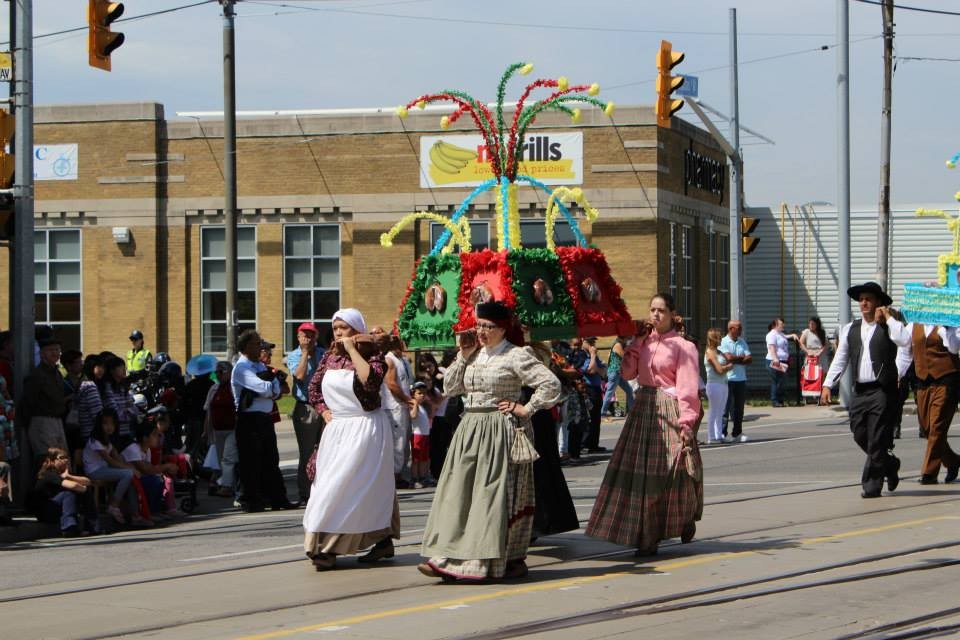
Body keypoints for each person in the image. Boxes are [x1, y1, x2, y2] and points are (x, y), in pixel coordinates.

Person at [418, 301, 561, 582]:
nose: (481, 331)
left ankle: (489, 559)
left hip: (500, 428)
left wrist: (526, 408)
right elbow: (450, 388)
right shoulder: (473, 354)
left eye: (488, 327)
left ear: (503, 327)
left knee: (492, 496)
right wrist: (462, 354)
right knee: (460, 494)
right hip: (470, 427)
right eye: (479, 325)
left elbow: (550, 384)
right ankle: (449, 555)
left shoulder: (516, 355)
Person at [586, 292, 703, 556]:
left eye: (661, 310)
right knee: (639, 473)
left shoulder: (684, 347)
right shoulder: (643, 341)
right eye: (652, 310)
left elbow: (687, 388)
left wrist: (687, 423)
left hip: (669, 409)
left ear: (672, 314)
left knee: (674, 469)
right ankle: (645, 534)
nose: (655, 315)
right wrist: (627, 345)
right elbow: (627, 373)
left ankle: (682, 518)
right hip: (643, 407)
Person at [304, 308, 398, 571]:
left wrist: (354, 351)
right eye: (335, 328)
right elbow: (313, 388)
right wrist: (323, 412)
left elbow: (370, 382)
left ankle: (330, 547)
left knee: (358, 487)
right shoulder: (329, 357)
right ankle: (327, 541)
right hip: (337, 429)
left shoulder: (374, 355)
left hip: (365, 427)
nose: (338, 333)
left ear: (356, 330)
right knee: (329, 485)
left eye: (344, 328)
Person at [821, 281, 902, 499]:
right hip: (861, 391)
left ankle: (871, 486)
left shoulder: (889, 325)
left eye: (868, 299)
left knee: (876, 438)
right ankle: (890, 463)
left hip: (882, 391)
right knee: (859, 434)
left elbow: (903, 339)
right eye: (861, 299)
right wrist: (828, 384)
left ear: (878, 302)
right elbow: (841, 358)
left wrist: (889, 318)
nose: (864, 303)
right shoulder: (850, 329)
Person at [883, 309, 960, 484]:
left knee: (937, 427)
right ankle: (953, 461)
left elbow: (954, 347)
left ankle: (929, 473)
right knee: (927, 429)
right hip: (923, 381)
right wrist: (898, 374)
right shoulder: (913, 325)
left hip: (946, 379)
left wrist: (946, 327)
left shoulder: (951, 322)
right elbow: (904, 348)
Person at [231, 329, 295, 513]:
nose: (261, 347)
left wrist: (271, 386)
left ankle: (277, 498)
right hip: (249, 420)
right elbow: (265, 389)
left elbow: (275, 390)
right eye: (257, 343)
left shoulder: (259, 366)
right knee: (251, 463)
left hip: (264, 418)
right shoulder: (242, 368)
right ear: (246, 347)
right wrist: (270, 386)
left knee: (271, 460)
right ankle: (252, 501)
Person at [83, 409, 149, 526]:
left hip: (104, 469)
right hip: (94, 471)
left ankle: (135, 515)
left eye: (112, 423)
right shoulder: (94, 441)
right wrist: (130, 469)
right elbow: (111, 461)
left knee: (131, 477)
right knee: (128, 474)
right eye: (105, 423)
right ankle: (114, 505)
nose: (109, 426)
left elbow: (118, 458)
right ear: (99, 424)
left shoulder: (108, 441)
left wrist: (132, 468)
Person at [286, 322, 323, 505]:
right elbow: (299, 376)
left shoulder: (324, 354)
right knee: (307, 452)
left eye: (311, 335)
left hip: (324, 407)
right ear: (299, 338)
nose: (308, 338)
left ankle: (324, 489)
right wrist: (306, 354)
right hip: (305, 407)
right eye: (304, 335)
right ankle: (305, 492)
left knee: (326, 451)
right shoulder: (293, 356)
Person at [29, 447, 97, 536]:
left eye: (66, 458)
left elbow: (88, 481)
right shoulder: (49, 474)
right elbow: (73, 485)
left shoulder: (62, 473)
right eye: (61, 458)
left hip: (55, 510)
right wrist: (84, 489)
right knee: (69, 492)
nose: (65, 460)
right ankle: (69, 528)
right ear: (51, 461)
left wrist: (69, 476)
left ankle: (93, 527)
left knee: (82, 490)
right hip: (45, 513)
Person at [21, 335, 68, 461]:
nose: (55, 353)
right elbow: (28, 401)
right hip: (42, 421)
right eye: (51, 350)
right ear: (42, 353)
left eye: (57, 349)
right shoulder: (37, 375)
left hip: (57, 420)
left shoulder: (57, 372)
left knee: (62, 461)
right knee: (49, 462)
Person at [381, 332, 414, 488]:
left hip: (404, 406)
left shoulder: (403, 360)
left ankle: (400, 474)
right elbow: (392, 384)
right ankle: (393, 476)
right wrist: (408, 399)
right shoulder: (389, 360)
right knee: (397, 443)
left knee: (404, 442)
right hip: (394, 407)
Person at [203, 361, 238, 498]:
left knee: (227, 458)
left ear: (230, 373)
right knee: (220, 459)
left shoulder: (234, 387)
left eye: (221, 372)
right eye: (216, 372)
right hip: (218, 430)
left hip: (232, 429)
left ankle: (227, 486)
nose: (218, 375)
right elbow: (208, 412)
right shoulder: (214, 389)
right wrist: (206, 430)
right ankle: (228, 482)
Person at [569, 337, 605, 453]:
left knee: (596, 418)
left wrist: (595, 364)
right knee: (589, 418)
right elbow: (590, 370)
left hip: (596, 388)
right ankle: (585, 443)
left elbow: (602, 371)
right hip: (588, 389)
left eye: (593, 342)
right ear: (583, 342)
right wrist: (593, 355)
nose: (592, 345)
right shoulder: (582, 356)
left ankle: (593, 444)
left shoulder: (592, 356)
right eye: (589, 342)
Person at [720, 320, 752, 443]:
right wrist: (740, 358)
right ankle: (722, 433)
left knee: (739, 408)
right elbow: (728, 358)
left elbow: (749, 359)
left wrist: (735, 359)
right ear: (731, 329)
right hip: (727, 379)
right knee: (725, 408)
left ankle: (737, 433)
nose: (741, 330)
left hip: (741, 379)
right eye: (738, 328)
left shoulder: (742, 341)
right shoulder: (723, 342)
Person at [99, 355, 140, 442]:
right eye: (120, 367)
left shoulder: (123, 388)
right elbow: (115, 415)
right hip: (114, 434)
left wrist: (125, 409)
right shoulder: (108, 388)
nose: (124, 370)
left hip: (127, 432)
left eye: (124, 367)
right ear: (112, 370)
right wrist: (127, 409)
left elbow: (135, 412)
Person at [704, 328, 732, 445]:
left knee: (720, 411)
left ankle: (718, 434)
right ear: (713, 338)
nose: (721, 339)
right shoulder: (710, 352)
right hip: (714, 384)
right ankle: (711, 436)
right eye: (719, 337)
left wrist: (727, 365)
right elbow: (719, 369)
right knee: (714, 410)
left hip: (723, 383)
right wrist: (728, 367)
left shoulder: (719, 351)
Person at [765, 318, 799, 407]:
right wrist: (775, 358)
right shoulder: (771, 335)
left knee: (782, 381)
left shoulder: (780, 334)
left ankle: (780, 400)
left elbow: (785, 336)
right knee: (776, 380)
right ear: (775, 325)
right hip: (775, 361)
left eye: (783, 324)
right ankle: (775, 400)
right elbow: (771, 347)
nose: (783, 325)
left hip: (783, 361)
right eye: (781, 324)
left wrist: (792, 335)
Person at [600, 336, 633, 417]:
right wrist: (630, 349)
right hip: (614, 372)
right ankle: (602, 412)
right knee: (610, 392)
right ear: (623, 338)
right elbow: (624, 356)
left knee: (629, 390)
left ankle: (631, 411)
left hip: (619, 372)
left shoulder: (621, 344)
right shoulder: (618, 345)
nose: (628, 340)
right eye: (627, 338)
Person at [799, 317, 829, 402]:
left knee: (822, 374)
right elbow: (801, 343)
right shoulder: (806, 332)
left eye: (813, 324)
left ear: (817, 324)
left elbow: (826, 345)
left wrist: (820, 351)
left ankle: (821, 395)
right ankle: (811, 394)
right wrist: (808, 351)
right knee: (810, 375)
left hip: (821, 355)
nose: (811, 326)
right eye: (810, 324)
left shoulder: (822, 332)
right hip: (811, 356)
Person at [409, 381, 432, 489]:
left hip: (425, 435)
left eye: (424, 393)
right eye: (419, 393)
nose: (422, 395)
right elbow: (413, 416)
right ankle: (415, 478)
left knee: (424, 458)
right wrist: (415, 403)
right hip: (417, 435)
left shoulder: (424, 406)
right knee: (416, 459)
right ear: (413, 393)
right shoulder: (414, 404)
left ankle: (423, 477)